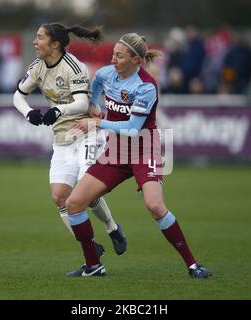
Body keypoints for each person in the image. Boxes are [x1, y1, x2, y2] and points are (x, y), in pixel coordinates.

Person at [65, 33, 212, 278]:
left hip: (144, 148)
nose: (113, 59)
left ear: (136, 60)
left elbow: (133, 129)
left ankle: (192, 265)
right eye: (113, 53)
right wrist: (94, 105)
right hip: (116, 152)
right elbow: (96, 89)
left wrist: (96, 123)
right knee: (74, 203)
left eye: (119, 56)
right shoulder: (105, 74)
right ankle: (93, 265)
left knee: (155, 205)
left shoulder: (146, 86)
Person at [12, 22, 127, 258]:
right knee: (59, 198)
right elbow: (18, 96)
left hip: (86, 133)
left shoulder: (74, 67)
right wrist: (28, 112)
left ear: (55, 45)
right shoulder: (37, 68)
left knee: (87, 192)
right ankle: (90, 244)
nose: (35, 42)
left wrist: (58, 111)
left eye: (40, 37)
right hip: (62, 137)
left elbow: (83, 104)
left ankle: (112, 227)